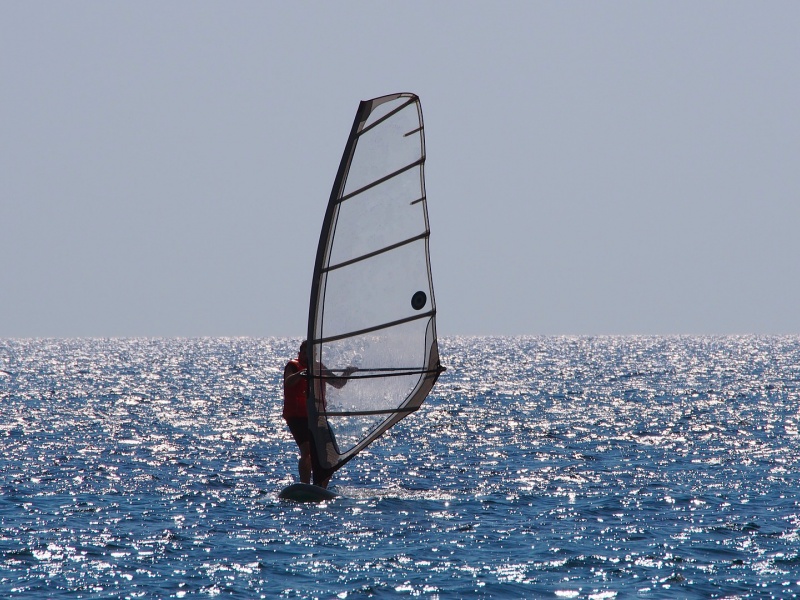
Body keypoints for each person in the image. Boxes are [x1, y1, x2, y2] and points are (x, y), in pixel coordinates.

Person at [283, 340, 356, 489]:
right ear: (300, 353)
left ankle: (321, 487)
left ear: (315, 354)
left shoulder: (319, 367)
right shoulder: (293, 365)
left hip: (317, 416)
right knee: (307, 451)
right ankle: (305, 485)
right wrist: (300, 375)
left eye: (312, 353)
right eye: (305, 353)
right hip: (298, 417)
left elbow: (337, 383)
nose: (308, 356)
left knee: (330, 454)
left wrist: (347, 373)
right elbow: (288, 382)